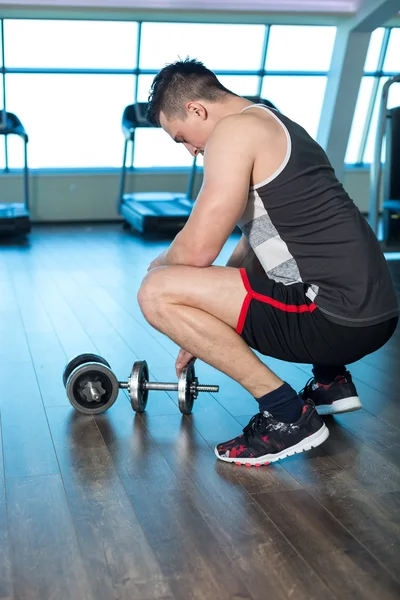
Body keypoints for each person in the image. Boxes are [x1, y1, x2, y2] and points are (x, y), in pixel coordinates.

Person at [137, 58, 399, 467]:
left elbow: (197, 251)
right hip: (375, 314)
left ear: (197, 110)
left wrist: (160, 273)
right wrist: (199, 319)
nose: (191, 151)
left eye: (182, 138)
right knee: (267, 263)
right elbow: (255, 243)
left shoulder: (234, 131)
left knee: (156, 290)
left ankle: (287, 416)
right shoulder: (273, 123)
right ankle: (330, 382)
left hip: (337, 320)